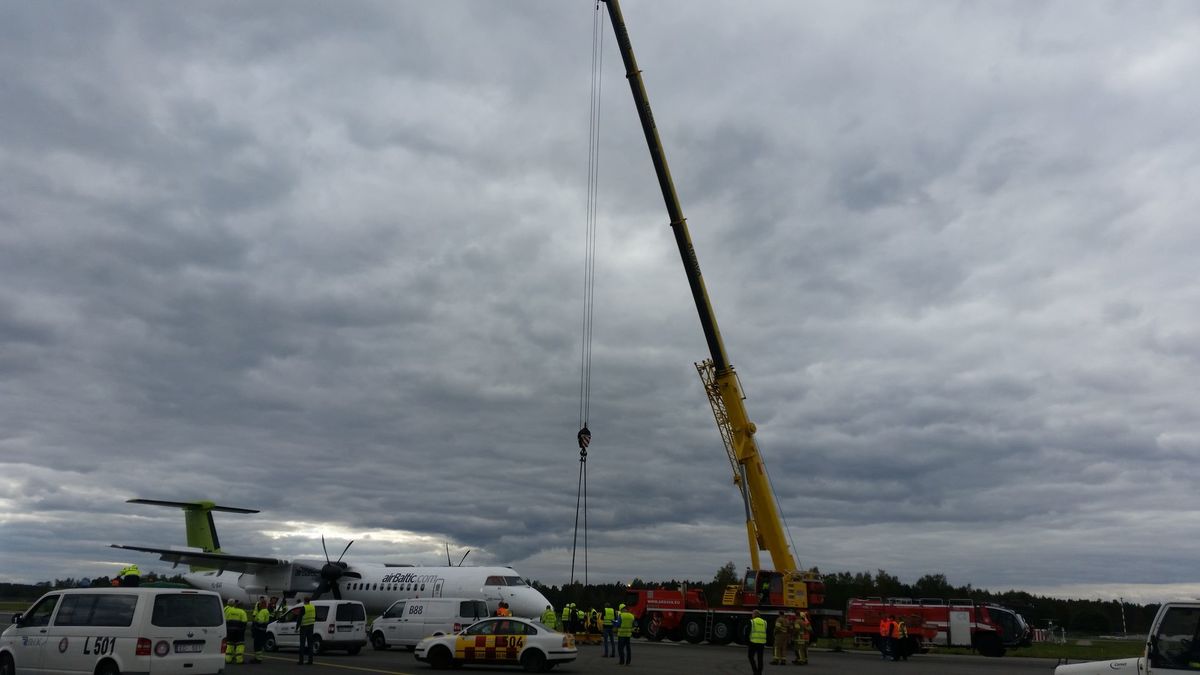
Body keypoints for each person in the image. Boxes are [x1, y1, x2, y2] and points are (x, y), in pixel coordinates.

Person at [224, 599, 248, 664]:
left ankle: (228, 659)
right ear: (241, 606)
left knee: (230, 644)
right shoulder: (242, 612)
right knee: (240, 645)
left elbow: (226, 620)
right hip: (239, 632)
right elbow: (244, 622)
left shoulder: (229, 610)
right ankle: (239, 660)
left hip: (230, 631)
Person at [250, 596, 270, 664]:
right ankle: (258, 658)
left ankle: (257, 659)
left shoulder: (262, 611)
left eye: (261, 604)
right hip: (263, 631)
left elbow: (260, 621)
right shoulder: (267, 611)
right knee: (260, 645)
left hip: (258, 631)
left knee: (257, 645)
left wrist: (255, 622)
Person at [297, 597, 316, 665]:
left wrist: (297, 627)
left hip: (304, 627)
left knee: (302, 644)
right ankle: (310, 660)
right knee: (310, 644)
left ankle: (301, 661)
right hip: (311, 626)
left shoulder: (303, 608)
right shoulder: (313, 607)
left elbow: (299, 618)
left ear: (305, 601)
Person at [748, 609, 767, 675]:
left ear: (754, 614)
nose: (752, 615)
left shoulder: (752, 621)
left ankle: (755, 671)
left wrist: (747, 642)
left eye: (752, 614)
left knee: (750, 656)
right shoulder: (764, 622)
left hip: (753, 642)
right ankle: (759, 672)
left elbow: (748, 631)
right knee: (760, 658)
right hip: (762, 643)